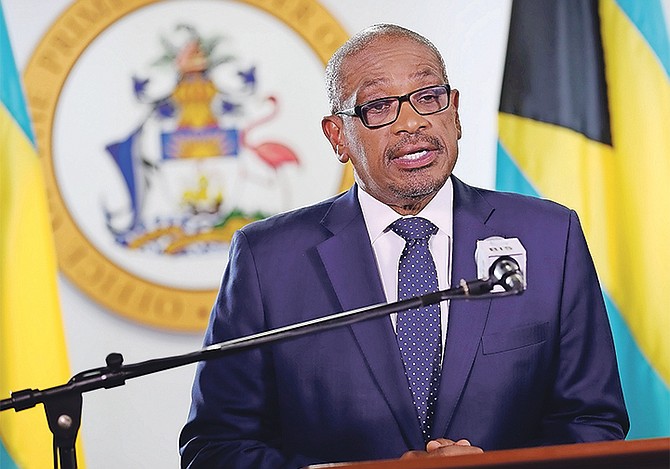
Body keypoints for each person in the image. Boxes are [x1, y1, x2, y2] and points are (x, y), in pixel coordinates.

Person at [179, 23, 628, 468]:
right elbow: (215, 446)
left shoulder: (549, 235)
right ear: (338, 136)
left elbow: (592, 418)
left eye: (427, 97)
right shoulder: (267, 259)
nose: (412, 122)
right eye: (378, 106)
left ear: (454, 113)